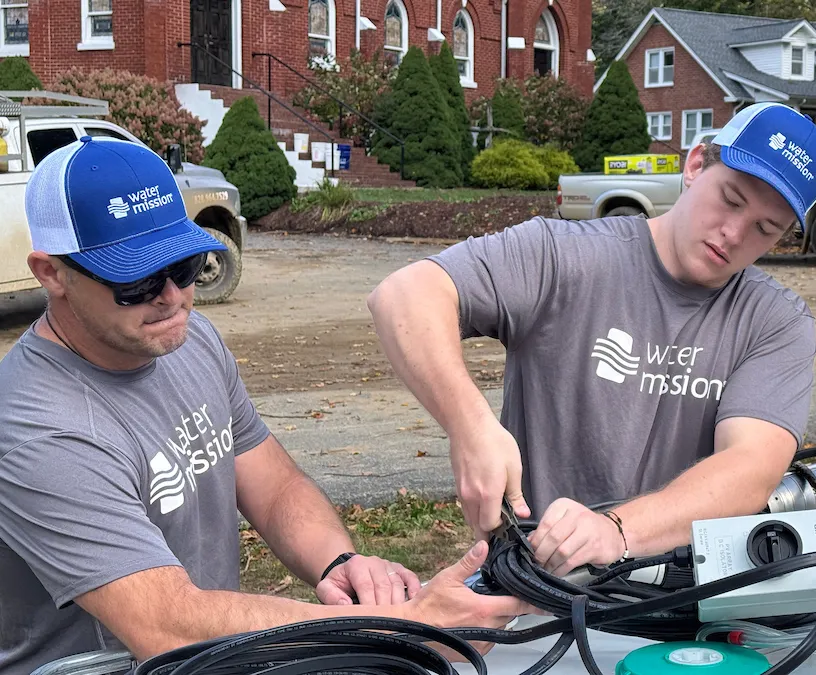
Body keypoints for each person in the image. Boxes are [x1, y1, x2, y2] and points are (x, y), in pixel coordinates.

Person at [0, 136, 527, 675]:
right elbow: (164, 622)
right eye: (136, 279)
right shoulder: (42, 430)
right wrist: (400, 631)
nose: (172, 296)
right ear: (52, 274)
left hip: (212, 657)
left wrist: (338, 562)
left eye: (183, 265)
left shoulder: (189, 339)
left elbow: (273, 487)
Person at [368, 102, 816, 577]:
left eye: (765, 228)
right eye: (731, 199)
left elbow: (750, 466)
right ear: (695, 165)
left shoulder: (777, 320)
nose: (733, 233)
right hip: (535, 584)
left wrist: (616, 529)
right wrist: (470, 426)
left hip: (682, 595)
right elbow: (405, 295)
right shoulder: (565, 255)